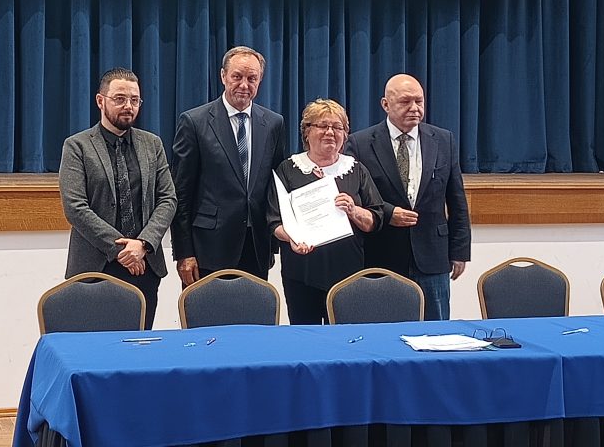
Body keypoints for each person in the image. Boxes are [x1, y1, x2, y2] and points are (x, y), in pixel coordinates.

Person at [59, 68, 177, 329]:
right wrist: (123, 250)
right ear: (100, 101)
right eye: (120, 99)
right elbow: (75, 207)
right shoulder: (77, 146)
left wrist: (143, 244)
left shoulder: (152, 144)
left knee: (139, 343)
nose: (128, 106)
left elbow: (168, 199)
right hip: (96, 267)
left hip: (144, 264)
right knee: (96, 346)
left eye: (135, 100)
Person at [346, 74, 471, 320]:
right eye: (405, 102)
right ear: (385, 104)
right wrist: (388, 213)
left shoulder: (443, 140)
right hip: (382, 254)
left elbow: (456, 199)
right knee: (384, 329)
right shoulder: (360, 143)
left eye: (419, 101)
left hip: (433, 257)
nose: (414, 108)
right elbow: (355, 198)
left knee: (435, 331)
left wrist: (460, 250)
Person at [171, 46, 287, 286]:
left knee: (255, 310)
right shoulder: (194, 122)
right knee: (206, 311)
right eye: (237, 76)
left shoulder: (274, 124)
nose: (244, 84)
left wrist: (273, 243)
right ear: (223, 76)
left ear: (260, 80)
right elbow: (181, 193)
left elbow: (275, 186)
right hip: (207, 249)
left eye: (252, 78)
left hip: (256, 246)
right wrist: (184, 252)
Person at [268, 99, 384, 324]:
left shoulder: (355, 169)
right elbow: (274, 221)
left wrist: (354, 210)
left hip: (348, 273)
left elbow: (375, 220)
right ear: (306, 131)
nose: (330, 132)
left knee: (346, 337)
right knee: (305, 336)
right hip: (301, 273)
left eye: (338, 127)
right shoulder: (288, 169)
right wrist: (292, 238)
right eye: (322, 126)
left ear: (345, 135)